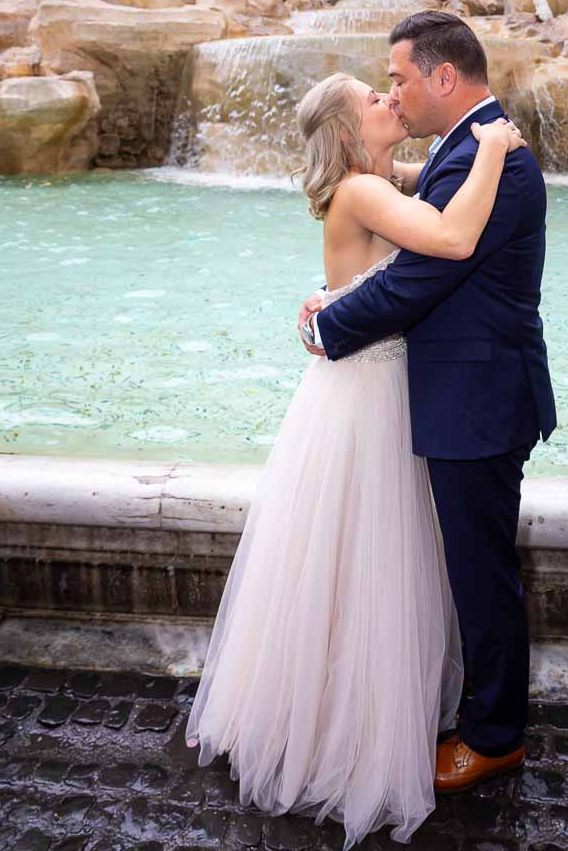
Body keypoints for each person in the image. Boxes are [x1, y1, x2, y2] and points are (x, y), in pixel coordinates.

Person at [185, 64, 526, 847]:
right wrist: (493, 152)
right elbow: (449, 236)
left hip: (360, 394)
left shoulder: (373, 182)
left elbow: (413, 182)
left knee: (346, 567)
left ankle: (337, 708)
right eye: (373, 98)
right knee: (369, 562)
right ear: (347, 131)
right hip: (368, 404)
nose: (389, 98)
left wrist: (326, 301)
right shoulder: (366, 192)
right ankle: (350, 729)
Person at [301, 10, 556, 794]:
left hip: (475, 401)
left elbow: (425, 273)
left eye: (402, 79)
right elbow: (411, 224)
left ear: (445, 78)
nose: (395, 92)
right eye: (382, 89)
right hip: (449, 396)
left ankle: (493, 737)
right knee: (460, 569)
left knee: (480, 576)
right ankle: (455, 712)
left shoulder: (494, 157)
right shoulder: (464, 150)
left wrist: (327, 323)